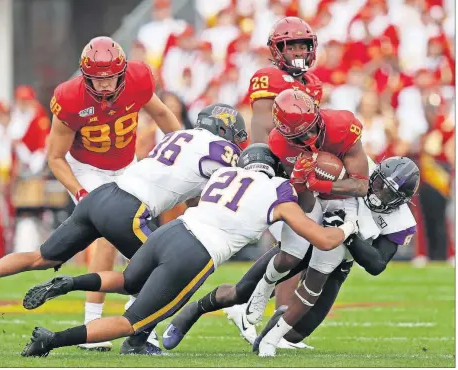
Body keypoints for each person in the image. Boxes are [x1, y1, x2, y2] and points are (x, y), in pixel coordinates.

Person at [0, 103, 245, 353]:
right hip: (130, 210)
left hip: (103, 196)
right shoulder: (220, 149)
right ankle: (139, 338)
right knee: (164, 272)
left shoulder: (177, 137)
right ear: (223, 130)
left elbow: (184, 181)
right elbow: (233, 185)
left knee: (41, 257)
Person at [19, 143, 358, 357]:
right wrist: (348, 225)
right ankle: (53, 340)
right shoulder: (279, 192)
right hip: (195, 252)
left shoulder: (225, 173)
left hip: (172, 231)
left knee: (128, 281)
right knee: (131, 323)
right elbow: (324, 240)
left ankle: (69, 283)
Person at [165, 88, 369, 352]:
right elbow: (304, 204)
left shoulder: (342, 125)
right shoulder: (279, 143)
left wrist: (320, 182)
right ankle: (254, 293)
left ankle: (275, 338)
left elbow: (361, 187)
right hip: (309, 199)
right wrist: (301, 181)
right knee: (289, 257)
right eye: (300, 135)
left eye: (311, 129)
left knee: (323, 271)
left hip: (346, 201)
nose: (309, 138)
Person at [45, 36, 181, 351]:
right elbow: (55, 157)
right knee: (112, 233)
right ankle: (95, 321)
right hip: (86, 169)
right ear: (84, 75)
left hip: (126, 164)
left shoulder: (139, 78)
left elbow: (161, 115)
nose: (105, 85)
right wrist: (78, 191)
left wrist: (183, 144)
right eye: (97, 78)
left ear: (121, 72)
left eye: (110, 77)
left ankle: (140, 319)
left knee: (145, 238)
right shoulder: (69, 98)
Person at [252, 156, 420, 353]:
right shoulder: (359, 164)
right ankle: (241, 301)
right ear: (374, 173)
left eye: (389, 194)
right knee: (276, 267)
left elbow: (377, 264)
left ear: (402, 202)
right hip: (313, 232)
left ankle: (279, 323)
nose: (379, 192)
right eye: (380, 183)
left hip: (341, 258)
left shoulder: (401, 221)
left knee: (297, 333)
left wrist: (347, 234)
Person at [246, 17, 324, 333]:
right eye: (290, 44)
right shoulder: (268, 76)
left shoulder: (314, 83)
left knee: (296, 246)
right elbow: (263, 124)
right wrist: (265, 163)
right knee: (290, 246)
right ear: (277, 49)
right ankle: (242, 303)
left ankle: (275, 320)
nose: (297, 50)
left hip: (299, 167)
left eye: (303, 44)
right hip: (274, 166)